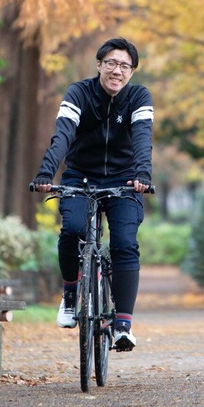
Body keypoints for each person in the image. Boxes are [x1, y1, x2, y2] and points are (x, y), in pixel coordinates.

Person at [32, 37, 153, 351]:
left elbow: (142, 137)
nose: (117, 70)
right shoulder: (79, 93)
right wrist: (47, 172)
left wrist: (143, 174)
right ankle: (71, 294)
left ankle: (122, 325)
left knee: (125, 243)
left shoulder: (139, 97)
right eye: (111, 63)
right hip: (80, 177)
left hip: (125, 182)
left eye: (125, 66)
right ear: (99, 65)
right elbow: (63, 134)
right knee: (72, 229)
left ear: (132, 71)